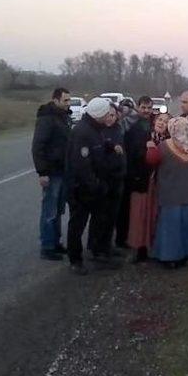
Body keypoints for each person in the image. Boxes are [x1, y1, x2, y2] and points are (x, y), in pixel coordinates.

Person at [65, 97, 124, 275]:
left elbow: (97, 147)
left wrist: (110, 146)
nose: (109, 116)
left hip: (96, 187)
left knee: (100, 221)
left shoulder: (95, 129)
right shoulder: (82, 132)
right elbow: (82, 166)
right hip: (81, 189)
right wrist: (96, 185)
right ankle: (75, 260)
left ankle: (99, 253)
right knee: (77, 225)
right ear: (98, 115)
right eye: (106, 113)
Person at [147, 117, 188, 266]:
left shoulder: (164, 147)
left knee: (171, 228)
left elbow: (151, 161)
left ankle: (170, 257)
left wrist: (150, 147)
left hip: (171, 195)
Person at [31, 87, 72, 261]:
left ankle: (56, 242)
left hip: (63, 170)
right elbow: (38, 146)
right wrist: (43, 172)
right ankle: (47, 246)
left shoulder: (63, 117)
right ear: (55, 100)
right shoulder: (47, 119)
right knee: (49, 210)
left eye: (69, 100)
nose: (68, 103)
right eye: (65, 101)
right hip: (52, 172)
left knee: (58, 210)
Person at [126, 106, 170, 263]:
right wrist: (146, 150)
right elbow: (134, 156)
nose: (161, 123)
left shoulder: (169, 142)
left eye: (165, 121)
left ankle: (154, 247)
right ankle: (139, 248)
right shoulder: (144, 136)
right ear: (154, 121)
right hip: (143, 181)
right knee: (139, 215)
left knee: (154, 215)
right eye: (160, 120)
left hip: (160, 184)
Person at [115, 97, 150, 249]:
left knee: (139, 207)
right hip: (131, 171)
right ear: (138, 107)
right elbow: (130, 150)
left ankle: (135, 236)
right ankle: (121, 238)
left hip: (145, 172)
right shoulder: (132, 127)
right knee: (126, 207)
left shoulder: (151, 124)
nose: (146, 111)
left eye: (149, 108)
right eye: (143, 107)